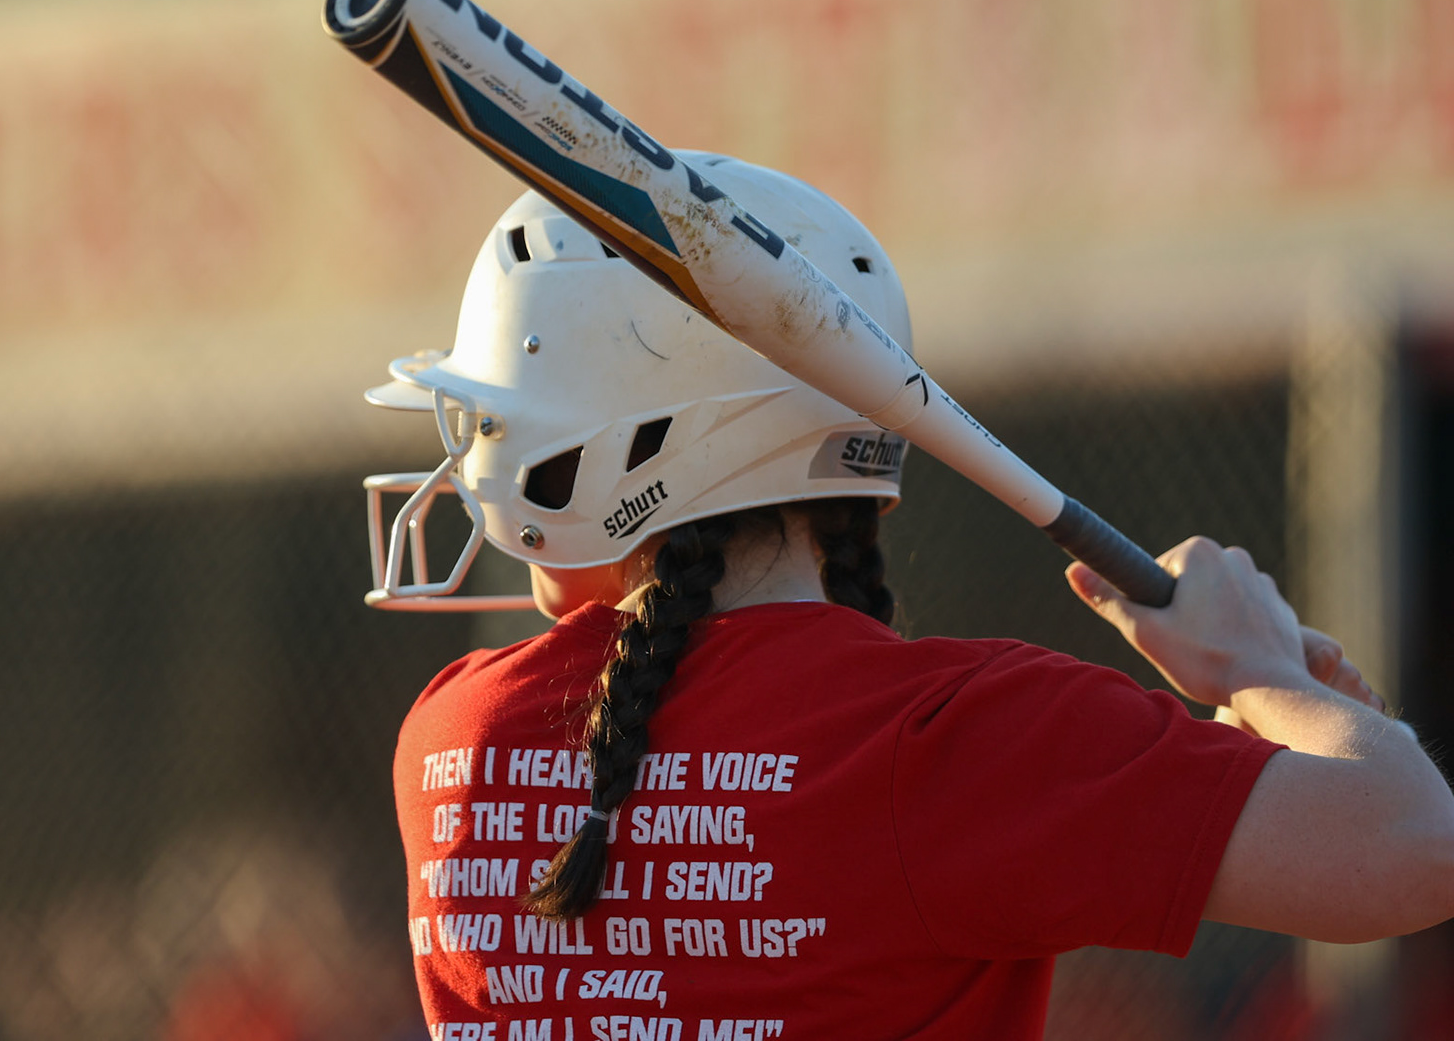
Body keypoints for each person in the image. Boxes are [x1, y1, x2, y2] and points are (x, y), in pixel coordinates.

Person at [364, 155, 1454, 1039]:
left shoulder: (451, 738)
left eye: (499, 424)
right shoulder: (954, 740)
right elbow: (1412, 844)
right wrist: (1255, 670)